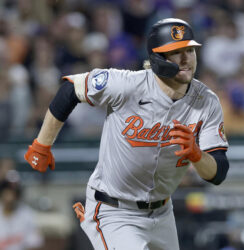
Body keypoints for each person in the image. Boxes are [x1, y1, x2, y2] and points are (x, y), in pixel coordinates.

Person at [24, 18, 229, 250]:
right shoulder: (127, 85)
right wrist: (42, 144)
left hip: (162, 212)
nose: (186, 58)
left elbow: (218, 172)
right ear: (157, 58)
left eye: (190, 50)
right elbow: (71, 89)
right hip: (114, 210)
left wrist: (197, 156)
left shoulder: (207, 101)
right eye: (176, 51)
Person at [0, 171, 44, 250]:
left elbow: (35, 245)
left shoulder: (27, 215)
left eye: (14, 192)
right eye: (7, 191)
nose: (10, 197)